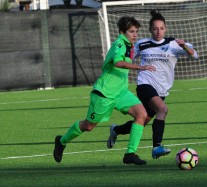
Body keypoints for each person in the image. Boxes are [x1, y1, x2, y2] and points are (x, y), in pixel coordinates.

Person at [53, 16, 156, 165]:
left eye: (136, 31)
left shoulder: (130, 45)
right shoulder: (120, 44)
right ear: (122, 32)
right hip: (105, 93)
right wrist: (141, 67)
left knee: (142, 114)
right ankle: (61, 141)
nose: (135, 34)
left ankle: (130, 154)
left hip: (121, 92)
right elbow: (118, 62)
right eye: (131, 31)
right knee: (88, 126)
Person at [107, 10, 198, 159]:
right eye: (155, 28)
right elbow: (126, 60)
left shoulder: (174, 44)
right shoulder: (142, 44)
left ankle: (116, 130)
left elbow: (195, 55)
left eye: (161, 28)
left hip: (161, 90)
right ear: (150, 29)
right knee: (162, 109)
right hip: (145, 85)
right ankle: (157, 147)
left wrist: (185, 47)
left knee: (141, 121)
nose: (158, 31)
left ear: (166, 28)